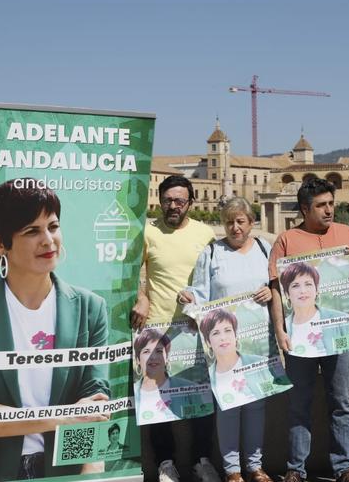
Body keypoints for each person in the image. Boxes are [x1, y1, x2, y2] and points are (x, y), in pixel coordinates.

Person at [0, 179, 110, 480]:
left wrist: (88, 474)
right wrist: (59, 418)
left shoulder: (90, 308)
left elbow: (95, 399)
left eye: (52, 226)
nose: (48, 240)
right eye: (32, 231)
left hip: (62, 470)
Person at [268, 178, 349, 482]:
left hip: (339, 334)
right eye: (321, 205)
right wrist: (280, 329)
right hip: (300, 338)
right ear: (305, 209)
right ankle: (296, 470)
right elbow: (275, 290)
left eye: (331, 203)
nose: (329, 210)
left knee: (341, 402)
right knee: (299, 404)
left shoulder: (347, 234)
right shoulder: (286, 240)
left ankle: (344, 467)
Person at [130, 175, 220, 482]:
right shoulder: (147, 232)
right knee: (157, 402)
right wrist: (141, 297)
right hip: (157, 329)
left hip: (195, 329)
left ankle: (201, 461)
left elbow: (214, 277)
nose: (173, 206)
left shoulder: (205, 233)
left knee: (203, 399)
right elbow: (132, 273)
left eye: (179, 200)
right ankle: (165, 463)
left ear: (190, 203)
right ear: (160, 200)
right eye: (168, 200)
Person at [178, 196, 274, 482]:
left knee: (256, 404)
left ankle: (255, 467)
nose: (235, 228)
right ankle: (233, 471)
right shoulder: (211, 253)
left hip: (259, 340)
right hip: (223, 345)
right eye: (229, 222)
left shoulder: (264, 248)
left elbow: (277, 286)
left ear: (251, 223)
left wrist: (270, 292)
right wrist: (188, 297)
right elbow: (200, 293)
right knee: (229, 404)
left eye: (241, 222)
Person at [133, 327, 210, 423]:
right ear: (137, 359)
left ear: (167, 357)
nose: (153, 357)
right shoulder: (131, 395)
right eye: (146, 351)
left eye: (159, 351)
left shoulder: (190, 389)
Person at [279, 262, 349, 356]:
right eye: (295, 285)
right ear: (287, 293)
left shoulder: (341, 319)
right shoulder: (285, 328)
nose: (303, 291)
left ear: (317, 289)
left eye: (308, 284)